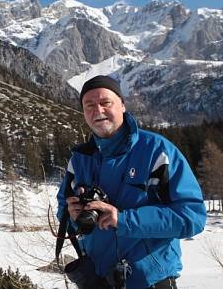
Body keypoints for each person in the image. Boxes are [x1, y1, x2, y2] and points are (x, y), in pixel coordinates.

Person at [56, 75, 206, 289]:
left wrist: (124, 220)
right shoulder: (80, 159)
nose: (97, 111)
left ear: (123, 105)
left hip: (150, 280)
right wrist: (71, 215)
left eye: (105, 103)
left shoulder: (157, 151)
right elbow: (63, 210)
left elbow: (192, 217)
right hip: (98, 279)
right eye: (89, 105)